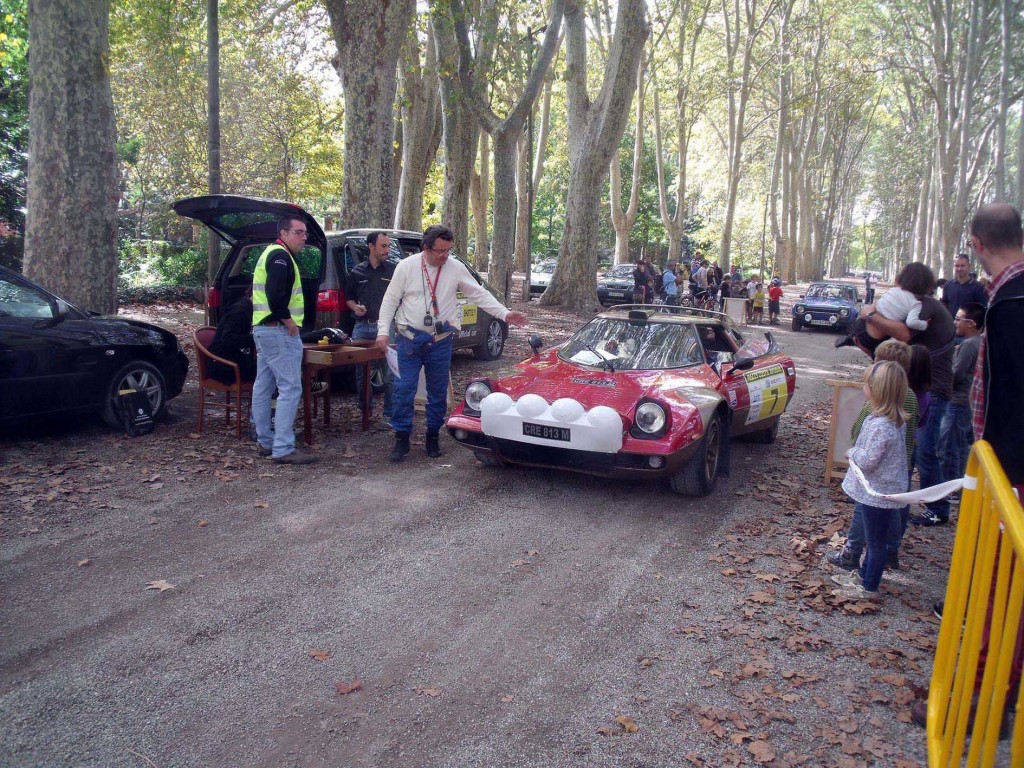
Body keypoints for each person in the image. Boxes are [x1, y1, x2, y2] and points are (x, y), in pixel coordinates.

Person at [375, 225, 527, 461]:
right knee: (404, 390)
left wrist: (504, 314)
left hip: (440, 341)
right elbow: (389, 301)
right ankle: (401, 438)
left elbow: (478, 293)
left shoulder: (454, 267)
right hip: (409, 340)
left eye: (448, 250)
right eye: (440, 251)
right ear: (426, 248)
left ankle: (432, 437)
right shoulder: (407, 267)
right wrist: (383, 332)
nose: (445, 256)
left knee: (437, 393)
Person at [863, 265, 956, 526]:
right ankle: (894, 501)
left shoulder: (923, 305)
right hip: (924, 388)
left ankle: (937, 508)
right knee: (910, 450)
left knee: (925, 451)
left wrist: (870, 315)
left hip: (932, 390)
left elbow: (902, 333)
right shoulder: (922, 303)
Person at [826, 340, 919, 572]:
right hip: (901, 464)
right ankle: (891, 551)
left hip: (877, 472)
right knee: (895, 511)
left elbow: (858, 431)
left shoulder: (879, 409)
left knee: (862, 512)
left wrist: (854, 449)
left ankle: (853, 553)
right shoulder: (910, 398)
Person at [830, 361, 909, 601]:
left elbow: (869, 460)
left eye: (867, 384)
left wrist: (852, 452)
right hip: (877, 490)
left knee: (875, 544)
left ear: (877, 390)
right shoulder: (888, 420)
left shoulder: (883, 426)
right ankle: (864, 575)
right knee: (874, 539)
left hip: (878, 492)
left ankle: (869, 587)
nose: (864, 387)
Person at [251, 216, 316, 464]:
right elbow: (275, 295)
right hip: (277, 330)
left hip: (263, 329)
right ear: (284, 233)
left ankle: (266, 441)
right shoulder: (280, 257)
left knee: (263, 386)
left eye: (305, 233)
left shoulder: (272, 253)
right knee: (290, 388)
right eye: (298, 232)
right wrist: (288, 322)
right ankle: (283, 448)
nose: (304, 237)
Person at [345, 231, 395, 420]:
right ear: (371, 246)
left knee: (390, 371)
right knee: (361, 372)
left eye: (389, 246)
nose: (387, 250)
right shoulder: (357, 271)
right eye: (383, 246)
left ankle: (389, 414)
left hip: (386, 327)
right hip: (362, 327)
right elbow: (348, 298)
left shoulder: (393, 270)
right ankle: (365, 410)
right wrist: (355, 307)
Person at [836, 262, 933, 356]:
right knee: (880, 356)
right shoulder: (916, 304)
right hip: (874, 339)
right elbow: (912, 323)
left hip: (861, 325)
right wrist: (924, 324)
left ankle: (852, 337)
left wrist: (869, 312)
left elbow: (877, 305)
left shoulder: (893, 290)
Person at [942, 301, 983, 479]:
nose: (954, 322)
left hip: (958, 401)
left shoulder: (969, 345)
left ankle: (951, 485)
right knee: (959, 444)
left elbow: (956, 374)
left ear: (971, 323)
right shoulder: (979, 343)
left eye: (958, 319)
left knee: (949, 445)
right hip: (965, 401)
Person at [207, 290, 256, 385]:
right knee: (268, 371)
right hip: (224, 365)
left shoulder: (244, 307)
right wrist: (256, 338)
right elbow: (228, 340)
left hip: (231, 359)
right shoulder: (240, 311)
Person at [940, 253, 987, 319]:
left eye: (962, 266)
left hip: (969, 326)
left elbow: (982, 309)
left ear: (969, 266)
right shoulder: (948, 285)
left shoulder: (978, 287)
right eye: (957, 266)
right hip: (951, 325)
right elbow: (944, 304)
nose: (959, 268)